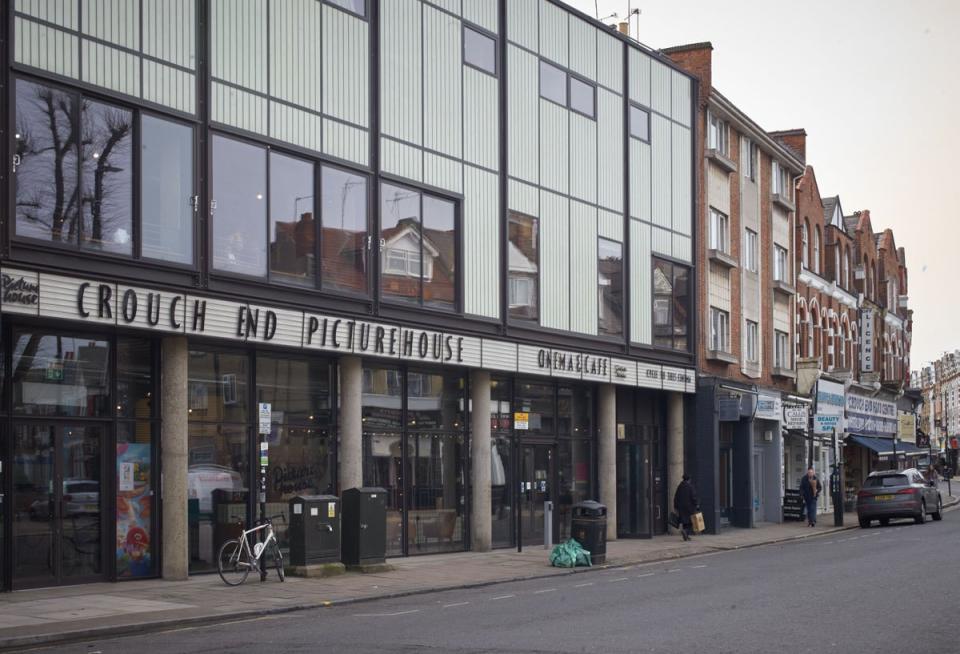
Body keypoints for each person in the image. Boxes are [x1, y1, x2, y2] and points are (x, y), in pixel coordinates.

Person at [673, 474, 699, 541]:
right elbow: (693, 497)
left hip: (681, 507)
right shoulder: (690, 487)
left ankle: (686, 536)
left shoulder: (680, 486)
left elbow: (676, 497)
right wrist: (696, 504)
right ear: (689, 479)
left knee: (685, 522)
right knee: (691, 522)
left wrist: (675, 507)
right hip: (689, 507)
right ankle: (685, 531)